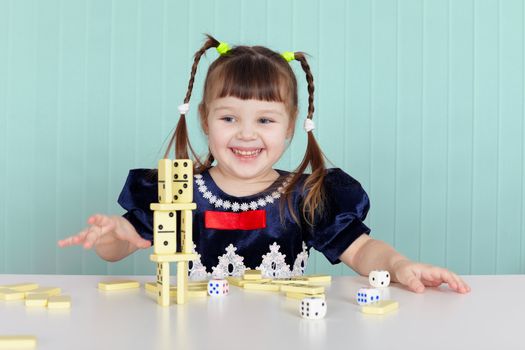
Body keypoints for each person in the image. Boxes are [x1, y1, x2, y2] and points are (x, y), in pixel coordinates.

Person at [58, 34, 470, 294]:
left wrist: (398, 265)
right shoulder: (178, 189)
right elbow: (121, 245)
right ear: (205, 119)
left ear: (290, 127)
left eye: (265, 120)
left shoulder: (306, 196)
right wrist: (111, 235)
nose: (246, 133)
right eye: (229, 118)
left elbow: (362, 250)